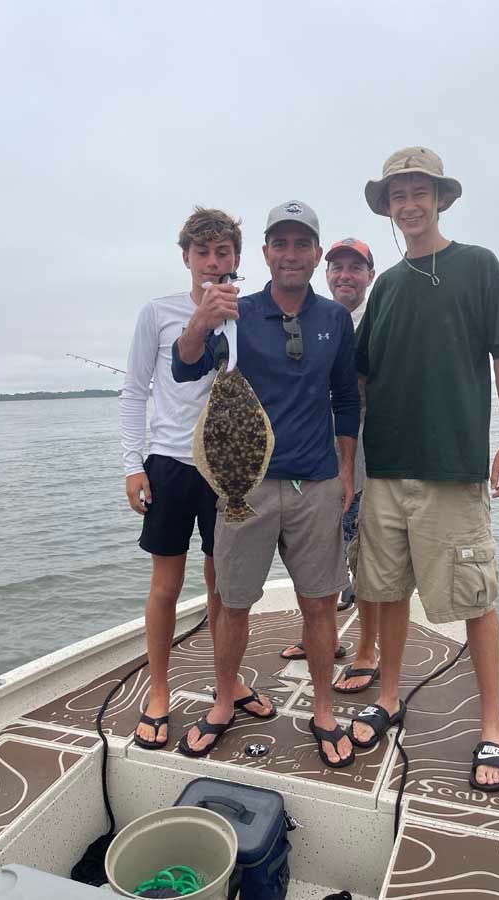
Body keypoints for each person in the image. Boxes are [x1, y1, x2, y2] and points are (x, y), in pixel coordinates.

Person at [352, 147, 499, 792]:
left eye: (418, 192)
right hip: (386, 471)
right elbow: (357, 376)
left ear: (441, 198)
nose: (409, 204)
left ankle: (490, 725)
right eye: (398, 196)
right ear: (389, 208)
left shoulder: (478, 265)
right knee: (386, 592)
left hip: (454, 468)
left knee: (476, 600)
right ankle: (388, 697)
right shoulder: (387, 287)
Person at [172, 201, 360, 768]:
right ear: (266, 254)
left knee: (320, 604)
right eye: (281, 244)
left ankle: (323, 710)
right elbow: (185, 367)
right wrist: (202, 320)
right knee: (232, 604)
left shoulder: (335, 319)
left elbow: (346, 399)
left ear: (317, 254)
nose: (292, 255)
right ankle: (225, 700)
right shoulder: (235, 311)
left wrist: (347, 469)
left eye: (303, 244)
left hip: (316, 484)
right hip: (242, 487)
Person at [120, 207, 274, 750]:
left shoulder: (253, 314)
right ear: (185, 256)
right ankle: (158, 689)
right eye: (202, 252)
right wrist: (132, 464)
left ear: (236, 257)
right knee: (166, 585)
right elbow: (135, 390)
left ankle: (227, 684)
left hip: (228, 468)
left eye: (223, 252)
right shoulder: (157, 313)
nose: (213, 262)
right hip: (168, 462)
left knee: (224, 588)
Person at [279, 237, 381, 694]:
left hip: (365, 460)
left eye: (355, 268)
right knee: (315, 556)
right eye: (338, 267)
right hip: (316, 462)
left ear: (369, 276)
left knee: (368, 560)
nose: (345, 275)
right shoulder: (315, 320)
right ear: (326, 272)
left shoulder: (375, 322)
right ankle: (316, 639)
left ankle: (366, 651)